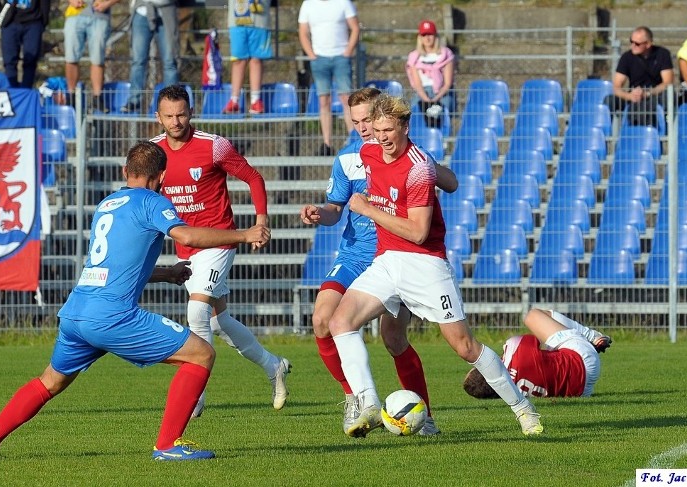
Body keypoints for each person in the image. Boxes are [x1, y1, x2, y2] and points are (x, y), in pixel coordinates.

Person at [0, 140, 271, 461]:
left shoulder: (108, 204)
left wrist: (166, 273)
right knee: (200, 354)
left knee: (50, 382)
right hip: (112, 317)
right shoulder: (153, 201)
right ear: (162, 176)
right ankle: (167, 445)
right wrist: (244, 234)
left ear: (125, 171)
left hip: (77, 312)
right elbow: (188, 236)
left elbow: (119, 264)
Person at [327, 94, 543, 438]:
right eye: (376, 129)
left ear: (405, 127)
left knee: (464, 346)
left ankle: (523, 409)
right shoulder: (368, 152)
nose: (380, 137)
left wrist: (369, 210)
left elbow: (417, 232)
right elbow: (453, 182)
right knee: (340, 321)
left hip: (424, 264)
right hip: (387, 261)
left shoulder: (417, 168)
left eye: (388, 130)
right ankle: (368, 404)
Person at [300, 87, 459, 436]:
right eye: (355, 121)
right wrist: (319, 212)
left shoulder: (406, 155)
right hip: (356, 254)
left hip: (396, 255)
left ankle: (425, 417)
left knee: (393, 338)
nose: (362, 128)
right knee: (322, 319)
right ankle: (357, 399)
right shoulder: (346, 159)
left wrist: (432, 166)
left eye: (367, 120)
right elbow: (334, 210)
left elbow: (448, 183)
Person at [151, 84, 291, 415]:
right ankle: (274, 366)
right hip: (186, 246)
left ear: (191, 112)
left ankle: (195, 395)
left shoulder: (214, 146)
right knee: (217, 321)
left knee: (196, 312)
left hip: (220, 240)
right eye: (169, 115)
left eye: (181, 114)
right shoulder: (153, 153)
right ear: (157, 116)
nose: (176, 121)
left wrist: (260, 222)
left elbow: (254, 178)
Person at [463, 309, 613, 399]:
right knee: (533, 316)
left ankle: (586, 342)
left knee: (544, 359)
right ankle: (592, 336)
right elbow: (534, 339)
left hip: (580, 390)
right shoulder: (514, 352)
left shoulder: (511, 395)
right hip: (581, 357)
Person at [298, 0, 359, 156]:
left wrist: (347, 51)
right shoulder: (308, 5)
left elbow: (355, 28)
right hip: (319, 58)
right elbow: (303, 32)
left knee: (347, 98)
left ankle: (353, 138)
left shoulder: (343, 3)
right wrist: (311, 54)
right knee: (324, 100)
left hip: (341, 57)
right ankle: (327, 143)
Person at [605, 26, 673, 128]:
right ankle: (609, 136)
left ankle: (664, 129)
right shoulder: (626, 57)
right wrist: (630, 96)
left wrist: (647, 93)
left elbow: (667, 82)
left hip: (654, 95)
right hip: (634, 95)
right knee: (609, 100)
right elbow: (616, 86)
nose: (633, 45)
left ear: (648, 44)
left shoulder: (662, 54)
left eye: (637, 43)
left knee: (667, 97)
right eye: (631, 41)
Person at [119, 0, 178, 113]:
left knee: (170, 62)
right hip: (141, 13)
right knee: (138, 62)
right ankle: (134, 101)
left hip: (166, 13)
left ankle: (172, 102)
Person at [64, 0, 121, 112]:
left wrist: (107, 4)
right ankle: (71, 96)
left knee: (98, 59)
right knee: (71, 57)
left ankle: (97, 98)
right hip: (75, 14)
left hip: (100, 16)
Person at [222, 0, 272, 115]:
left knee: (257, 59)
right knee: (238, 60)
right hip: (237, 18)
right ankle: (234, 101)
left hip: (260, 19)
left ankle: (255, 101)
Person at [405, 19, 455, 128]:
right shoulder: (414, 57)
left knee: (444, 112)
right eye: (424, 35)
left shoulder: (446, 54)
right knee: (414, 113)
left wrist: (435, 99)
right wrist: (426, 100)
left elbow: (447, 83)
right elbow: (417, 83)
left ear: (435, 36)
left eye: (430, 34)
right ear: (420, 38)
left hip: (442, 93)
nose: (427, 38)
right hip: (422, 93)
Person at [0, 0, 50, 89]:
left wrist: (43, 21)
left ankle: (26, 92)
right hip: (9, 22)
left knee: (31, 60)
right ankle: (12, 92)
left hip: (33, 21)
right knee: (9, 61)